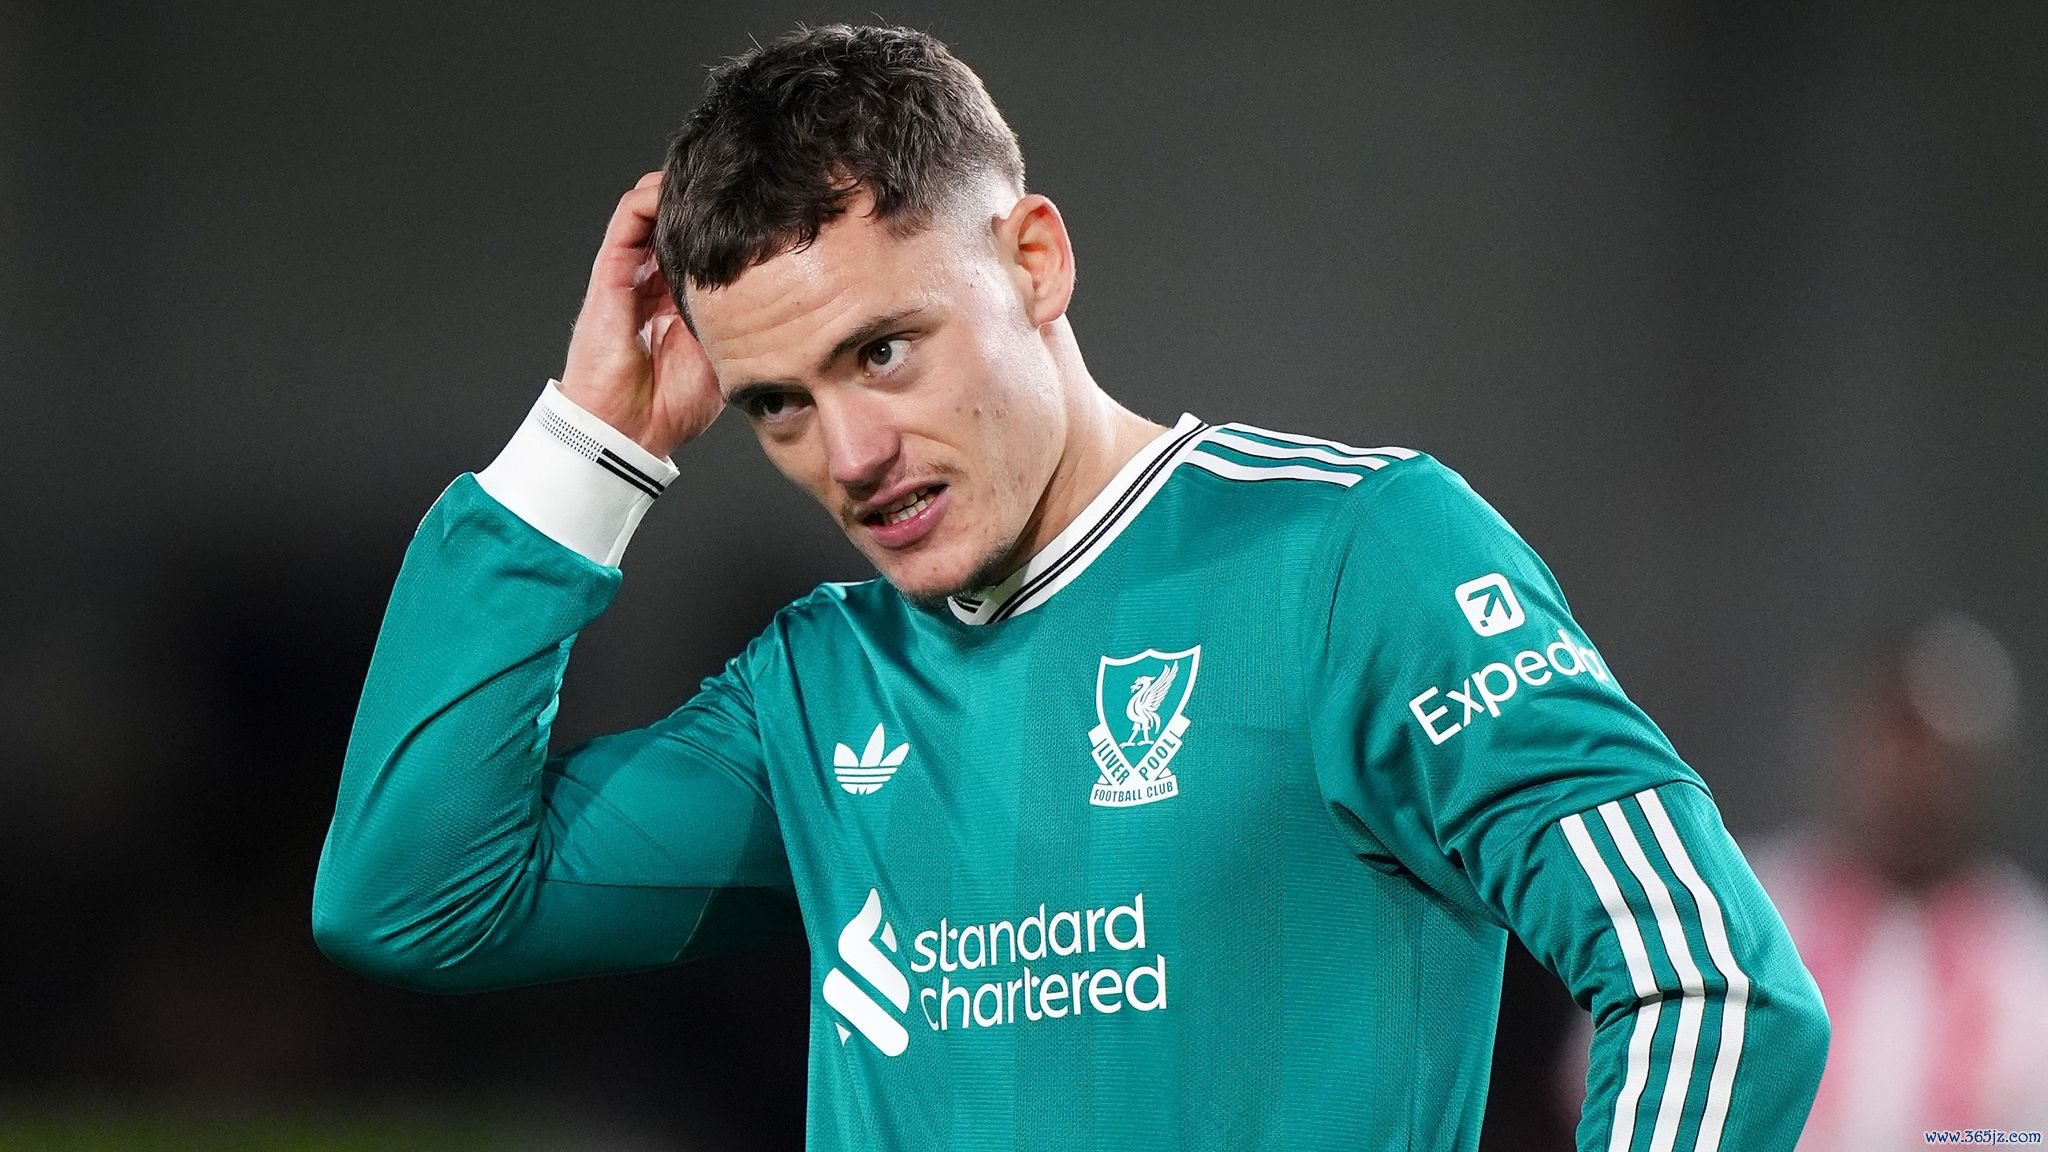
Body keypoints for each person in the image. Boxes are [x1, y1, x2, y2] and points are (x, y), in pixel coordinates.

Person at [312, 22, 1828, 1150]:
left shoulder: (1357, 558)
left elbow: (1709, 985)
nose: (849, 452)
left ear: (1034, 261)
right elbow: (413, 897)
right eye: (776, 404)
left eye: (882, 350)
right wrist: (592, 445)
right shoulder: (818, 688)